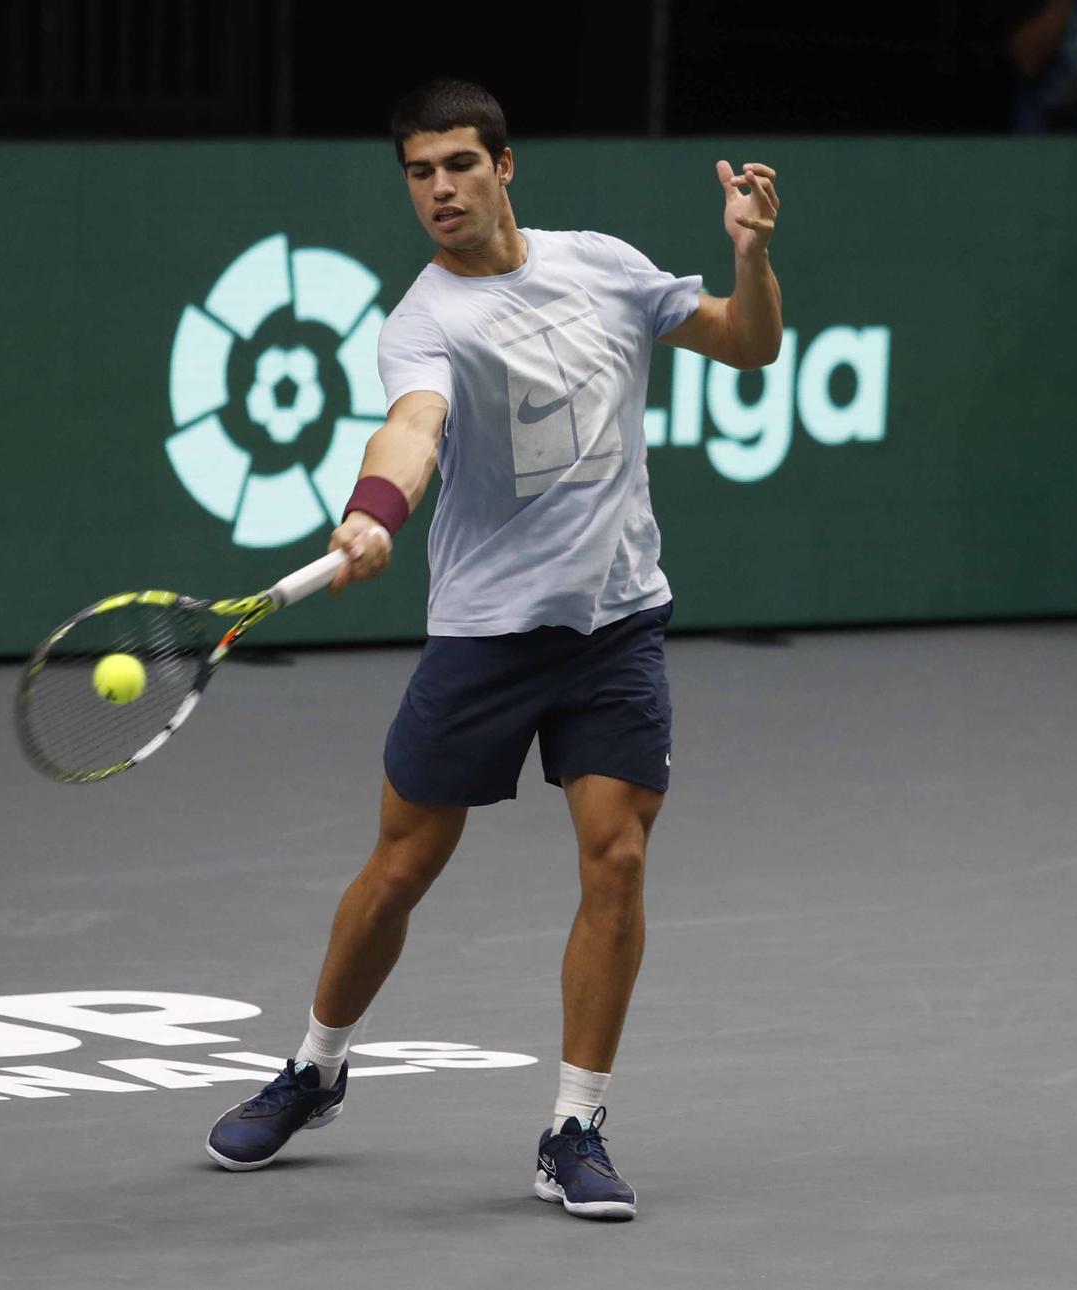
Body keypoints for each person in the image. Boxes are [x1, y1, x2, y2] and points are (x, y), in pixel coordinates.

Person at [203, 78, 782, 1222]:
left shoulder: (604, 267)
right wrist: (375, 507)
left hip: (615, 624)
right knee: (400, 870)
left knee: (614, 859)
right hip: (483, 634)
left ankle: (574, 1125)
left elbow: (748, 347)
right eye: (419, 174)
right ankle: (316, 1066)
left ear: (503, 166)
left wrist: (750, 255)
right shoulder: (423, 321)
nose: (439, 191)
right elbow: (409, 429)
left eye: (458, 165)